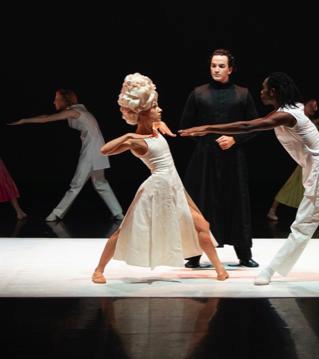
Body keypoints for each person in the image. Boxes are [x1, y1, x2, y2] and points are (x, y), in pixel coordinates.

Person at [180, 72, 319, 285]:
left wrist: (207, 127)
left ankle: (269, 272)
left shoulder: (286, 115)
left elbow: (247, 126)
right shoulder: (290, 109)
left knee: (304, 225)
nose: (261, 91)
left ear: (274, 91)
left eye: (264, 88)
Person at [91, 73, 229, 284]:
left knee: (203, 225)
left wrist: (157, 124)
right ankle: (99, 270)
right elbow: (104, 150)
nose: (160, 109)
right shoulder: (137, 140)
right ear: (143, 113)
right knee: (124, 231)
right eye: (155, 107)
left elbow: (157, 127)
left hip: (174, 185)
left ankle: (219, 269)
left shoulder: (154, 129)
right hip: (156, 189)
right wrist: (128, 136)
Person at [180, 49, 259, 268]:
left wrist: (235, 139)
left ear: (230, 69)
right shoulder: (198, 93)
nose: (216, 69)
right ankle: (194, 254)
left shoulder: (242, 94)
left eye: (221, 66)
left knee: (237, 202)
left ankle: (244, 254)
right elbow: (186, 126)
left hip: (233, 157)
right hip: (205, 159)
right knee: (202, 202)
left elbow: (255, 126)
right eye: (214, 65)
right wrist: (204, 141)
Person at [10, 89, 124, 221]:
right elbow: (45, 116)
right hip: (98, 148)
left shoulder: (74, 111)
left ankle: (56, 214)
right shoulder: (78, 110)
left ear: (64, 100)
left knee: (77, 184)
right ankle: (118, 213)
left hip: (92, 150)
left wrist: (23, 121)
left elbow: (46, 119)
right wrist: (24, 120)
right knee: (100, 183)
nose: (54, 102)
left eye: (56, 99)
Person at [267, 98, 319, 221]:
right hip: (306, 160)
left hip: (317, 160)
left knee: (317, 187)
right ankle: (273, 210)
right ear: (305, 103)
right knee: (293, 185)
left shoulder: (312, 122)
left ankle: (315, 214)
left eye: (317, 107)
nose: (315, 109)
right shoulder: (298, 116)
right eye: (313, 105)